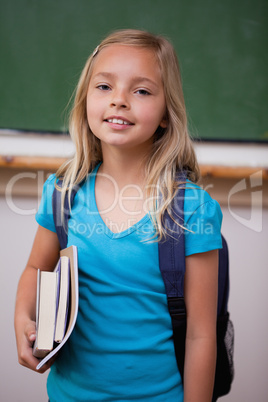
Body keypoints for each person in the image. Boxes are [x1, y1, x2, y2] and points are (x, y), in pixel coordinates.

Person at [14, 29, 222, 401]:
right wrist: (21, 318)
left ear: (164, 114)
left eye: (141, 91)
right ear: (85, 101)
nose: (119, 101)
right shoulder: (62, 194)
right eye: (104, 87)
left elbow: (201, 335)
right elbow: (35, 269)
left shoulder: (193, 208)